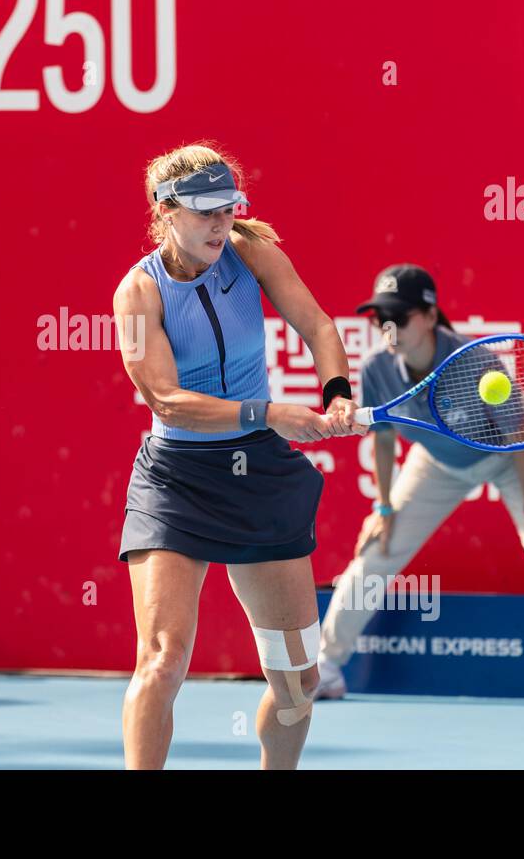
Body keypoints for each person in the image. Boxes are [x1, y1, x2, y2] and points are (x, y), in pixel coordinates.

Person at [113, 142, 367, 769]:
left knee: (297, 682)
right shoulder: (137, 295)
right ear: (166, 211)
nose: (220, 223)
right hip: (177, 479)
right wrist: (273, 414)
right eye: (204, 212)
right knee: (164, 657)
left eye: (228, 209)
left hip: (259, 474)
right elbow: (168, 400)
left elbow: (317, 325)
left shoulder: (251, 252)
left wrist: (335, 392)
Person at [314, 264, 524, 707]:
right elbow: (384, 440)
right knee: (375, 552)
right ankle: (326, 669)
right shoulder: (377, 370)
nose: (387, 329)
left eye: (398, 317)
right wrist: (383, 508)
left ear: (428, 315)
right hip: (439, 459)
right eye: (378, 319)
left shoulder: (475, 361)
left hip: (511, 453)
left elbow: (521, 435)